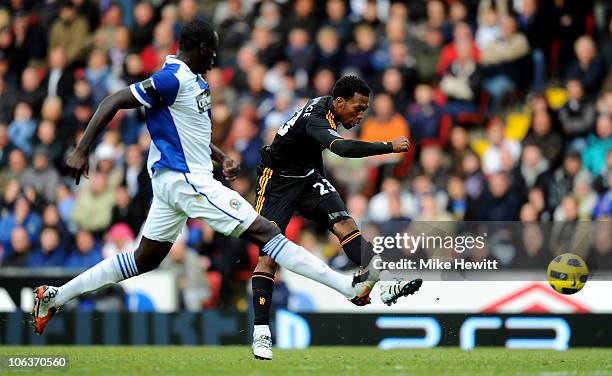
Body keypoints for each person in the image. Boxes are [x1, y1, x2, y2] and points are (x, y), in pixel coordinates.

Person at [31, 20, 383, 338]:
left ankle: (55, 296)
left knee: (144, 259)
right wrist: (82, 148)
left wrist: (220, 155)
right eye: (212, 52)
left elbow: (189, 131)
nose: (215, 60)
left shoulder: (194, 82)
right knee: (267, 232)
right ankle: (348, 288)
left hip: (174, 183)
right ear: (200, 50)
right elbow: (114, 99)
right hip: (188, 181)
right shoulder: (171, 79)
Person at [251, 75, 421, 360]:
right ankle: (261, 334)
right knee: (268, 255)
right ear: (339, 102)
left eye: (365, 109)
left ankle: (387, 282)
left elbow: (311, 147)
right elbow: (341, 149)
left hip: (307, 178)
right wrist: (387, 146)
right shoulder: (318, 119)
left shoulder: (329, 107)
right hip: (277, 182)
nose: (360, 114)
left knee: (346, 225)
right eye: (357, 108)